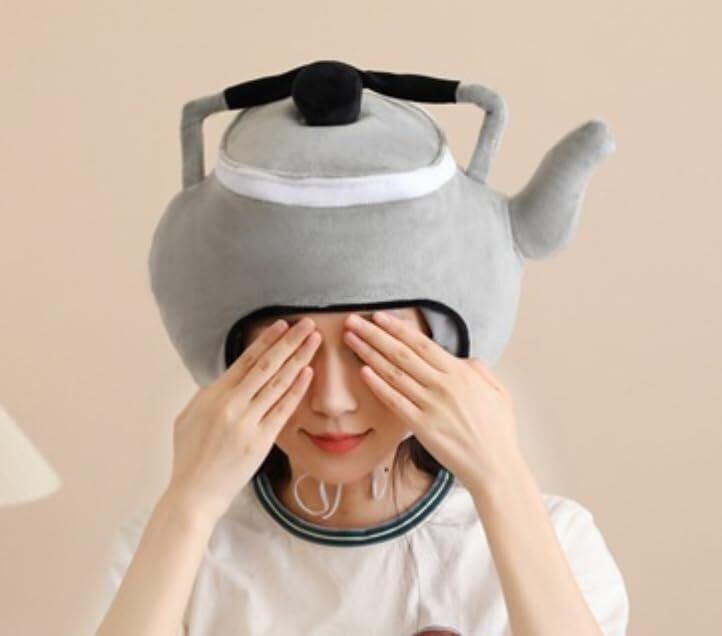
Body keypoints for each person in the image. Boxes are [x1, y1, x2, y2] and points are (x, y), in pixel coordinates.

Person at [94, 61, 630, 635]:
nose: (333, 400)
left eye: (372, 350)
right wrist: (187, 506)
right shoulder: (169, 550)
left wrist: (503, 481)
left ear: (445, 349)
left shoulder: (556, 540)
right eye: (291, 352)